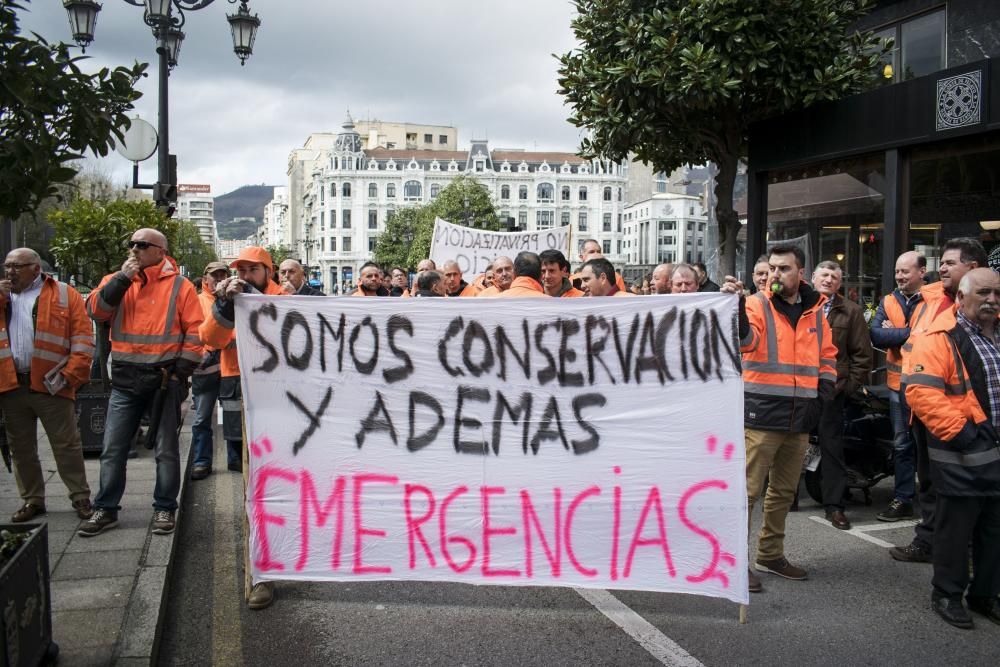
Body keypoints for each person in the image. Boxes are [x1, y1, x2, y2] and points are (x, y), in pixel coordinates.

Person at [721, 244, 837, 594]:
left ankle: (770, 555)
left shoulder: (816, 310)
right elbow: (744, 341)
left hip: (800, 415)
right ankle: (734, 562)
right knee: (747, 492)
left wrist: (823, 395)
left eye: (783, 268)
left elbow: (827, 356)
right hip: (760, 413)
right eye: (771, 268)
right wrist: (737, 306)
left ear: (800, 273)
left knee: (784, 491)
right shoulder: (756, 304)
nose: (775, 274)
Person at [80, 228, 204, 538]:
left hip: (164, 380)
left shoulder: (180, 286)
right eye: (131, 244)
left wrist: (181, 373)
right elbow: (95, 311)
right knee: (113, 448)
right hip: (125, 379)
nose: (134, 249)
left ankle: (165, 507)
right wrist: (122, 279)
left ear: (160, 252)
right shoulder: (116, 280)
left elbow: (195, 332)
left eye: (142, 245)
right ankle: (105, 508)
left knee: (166, 449)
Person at [905, 268, 1000, 629]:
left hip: (992, 451)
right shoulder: (938, 336)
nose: (992, 300)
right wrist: (964, 434)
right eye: (984, 293)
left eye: (997, 293)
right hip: (964, 453)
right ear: (960, 298)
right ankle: (947, 593)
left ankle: (985, 594)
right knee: (955, 532)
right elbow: (921, 392)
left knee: (994, 531)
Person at [891, 237, 988, 563]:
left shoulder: (986, 310)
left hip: (968, 421)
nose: (941, 268)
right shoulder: (928, 299)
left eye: (949, 263)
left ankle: (969, 552)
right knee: (930, 483)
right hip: (925, 411)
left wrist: (964, 429)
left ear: (973, 268)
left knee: (973, 490)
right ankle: (929, 543)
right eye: (941, 262)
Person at [199, 246, 285, 610]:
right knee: (254, 486)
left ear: (268, 272)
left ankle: (291, 557)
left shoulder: (288, 299)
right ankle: (259, 574)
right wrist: (225, 308)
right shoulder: (229, 302)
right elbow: (210, 339)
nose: (245, 276)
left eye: (252, 270)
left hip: (285, 399)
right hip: (242, 391)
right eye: (241, 270)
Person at [0, 248, 94, 522]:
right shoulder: (4, 295)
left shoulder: (64, 294)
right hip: (11, 384)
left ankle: (80, 497)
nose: (10, 272)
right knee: (21, 448)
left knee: (66, 444)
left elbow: (82, 335)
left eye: (17, 266)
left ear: (35, 268)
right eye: (7, 266)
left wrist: (71, 374)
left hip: (52, 383)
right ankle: (32, 500)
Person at [812, 260, 872, 530]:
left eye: (834, 276)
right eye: (824, 275)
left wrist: (847, 387)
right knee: (790, 445)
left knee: (832, 447)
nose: (828, 280)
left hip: (832, 391)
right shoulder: (799, 307)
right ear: (813, 278)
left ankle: (834, 506)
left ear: (840, 282)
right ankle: (787, 498)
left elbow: (862, 355)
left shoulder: (851, 311)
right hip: (798, 388)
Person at [870, 251, 927, 521]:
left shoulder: (933, 301)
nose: (900, 276)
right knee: (902, 445)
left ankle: (931, 500)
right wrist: (911, 333)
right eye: (897, 272)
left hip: (929, 387)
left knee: (928, 446)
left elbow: (933, 337)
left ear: (922, 272)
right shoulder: (889, 300)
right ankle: (903, 499)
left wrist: (895, 332)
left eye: (905, 271)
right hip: (897, 387)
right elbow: (877, 334)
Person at [190, 261, 229, 481]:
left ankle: (234, 458)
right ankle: (201, 461)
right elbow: (191, 331)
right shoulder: (197, 302)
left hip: (230, 370)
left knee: (232, 415)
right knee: (202, 418)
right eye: (215, 275)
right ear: (205, 279)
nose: (219, 279)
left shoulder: (234, 300)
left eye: (223, 275)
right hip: (204, 372)